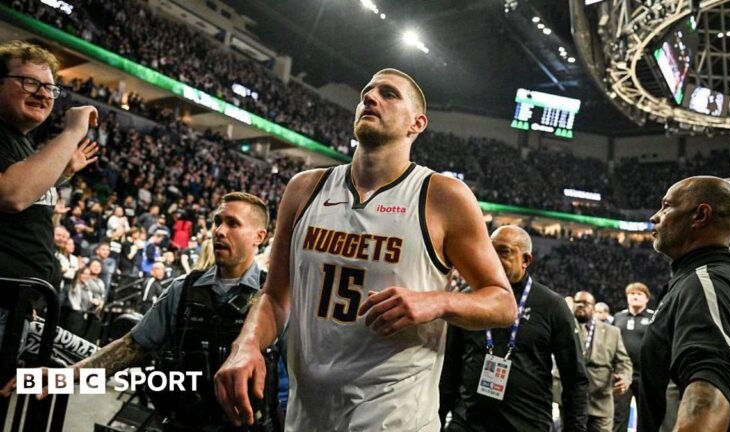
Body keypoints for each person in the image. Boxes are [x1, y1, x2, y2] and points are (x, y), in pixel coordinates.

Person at [214, 68, 516, 431]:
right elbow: (275, 297)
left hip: (395, 417)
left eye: (388, 94)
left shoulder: (442, 196)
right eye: (366, 93)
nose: (370, 98)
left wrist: (438, 302)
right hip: (308, 414)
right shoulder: (304, 189)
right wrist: (247, 344)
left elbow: (503, 302)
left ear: (417, 123)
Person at [1, 192, 272, 431]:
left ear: (259, 237)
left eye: (233, 223)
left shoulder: (273, 299)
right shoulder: (183, 290)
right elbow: (132, 346)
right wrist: (68, 374)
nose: (219, 231)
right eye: (217, 222)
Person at [639, 176, 730, 432]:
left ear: (700, 215)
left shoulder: (705, 284)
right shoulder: (712, 281)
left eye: (666, 206)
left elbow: (709, 386)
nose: (655, 216)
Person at [440, 225, 588, 431]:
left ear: (526, 260)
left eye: (504, 252)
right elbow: (449, 368)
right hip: (467, 422)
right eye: (490, 251)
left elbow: (574, 378)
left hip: (526, 424)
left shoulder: (551, 305)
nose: (493, 259)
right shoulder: (467, 299)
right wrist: (438, 418)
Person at [0, 40, 98, 353]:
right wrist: (72, 133)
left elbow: (24, 203)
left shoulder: (22, 143)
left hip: (16, 306)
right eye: (29, 82)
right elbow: (12, 195)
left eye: (50, 88)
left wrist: (62, 172)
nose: (43, 94)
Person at [573, 290, 632, 432]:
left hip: (601, 398)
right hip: (572, 398)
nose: (580, 305)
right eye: (577, 302)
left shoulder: (612, 332)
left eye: (585, 303)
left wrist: (624, 378)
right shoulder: (564, 327)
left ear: (593, 308)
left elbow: (624, 362)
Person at [612, 282, 654, 432]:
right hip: (622, 374)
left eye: (639, 294)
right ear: (627, 297)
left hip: (646, 374)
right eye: (632, 294)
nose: (635, 296)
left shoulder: (654, 317)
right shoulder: (618, 317)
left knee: (646, 416)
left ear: (646, 299)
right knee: (619, 416)